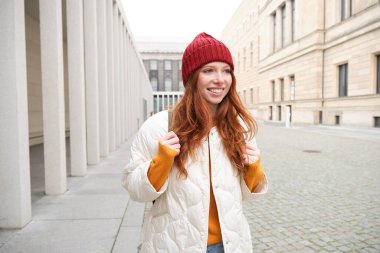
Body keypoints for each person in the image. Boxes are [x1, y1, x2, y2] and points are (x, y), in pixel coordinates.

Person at [122, 32, 268, 253]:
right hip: (175, 245)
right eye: (208, 70)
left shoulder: (240, 127)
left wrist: (254, 168)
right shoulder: (160, 126)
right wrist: (161, 161)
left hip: (231, 245)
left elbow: (247, 195)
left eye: (226, 70)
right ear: (192, 78)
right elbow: (136, 190)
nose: (220, 79)